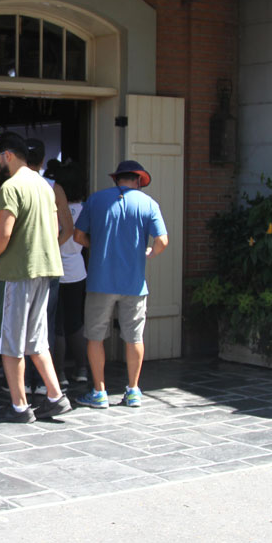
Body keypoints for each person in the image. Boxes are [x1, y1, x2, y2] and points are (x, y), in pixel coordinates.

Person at [0, 132, 71, 423]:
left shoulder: (11, 186)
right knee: (36, 339)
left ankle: (19, 406)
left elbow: (3, 234)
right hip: (45, 270)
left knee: (10, 340)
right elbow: (56, 230)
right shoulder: (45, 186)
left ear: (7, 155)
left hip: (16, 272)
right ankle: (55, 397)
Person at [73, 160, 168, 409]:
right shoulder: (149, 204)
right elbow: (162, 240)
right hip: (134, 283)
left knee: (95, 337)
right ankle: (134, 390)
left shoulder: (96, 200)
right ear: (138, 180)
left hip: (100, 281)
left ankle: (99, 392)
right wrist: (150, 252)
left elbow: (78, 235)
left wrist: (98, 246)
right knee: (134, 337)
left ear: (117, 179)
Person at [24, 138, 74, 395]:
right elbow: (68, 229)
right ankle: (46, 381)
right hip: (50, 265)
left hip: (22, 265)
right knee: (47, 324)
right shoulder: (54, 188)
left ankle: (23, 382)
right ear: (43, 160)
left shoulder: (14, 185)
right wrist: (51, 247)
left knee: (19, 323)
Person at [53, 164, 88, 384]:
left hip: (56, 269)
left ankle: (59, 373)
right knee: (76, 322)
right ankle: (82, 369)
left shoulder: (56, 210)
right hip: (78, 269)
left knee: (57, 323)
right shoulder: (85, 209)